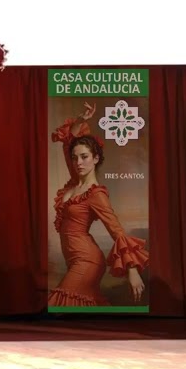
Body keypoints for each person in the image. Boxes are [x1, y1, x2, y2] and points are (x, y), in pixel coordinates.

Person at [48, 102, 148, 306]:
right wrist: (82, 119)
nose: (79, 163)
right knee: (80, 308)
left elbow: (116, 230)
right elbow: (69, 140)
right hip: (73, 259)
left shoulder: (96, 194)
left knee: (59, 303)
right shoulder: (75, 182)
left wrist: (132, 269)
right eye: (75, 158)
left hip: (88, 260)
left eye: (84, 157)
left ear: (95, 159)